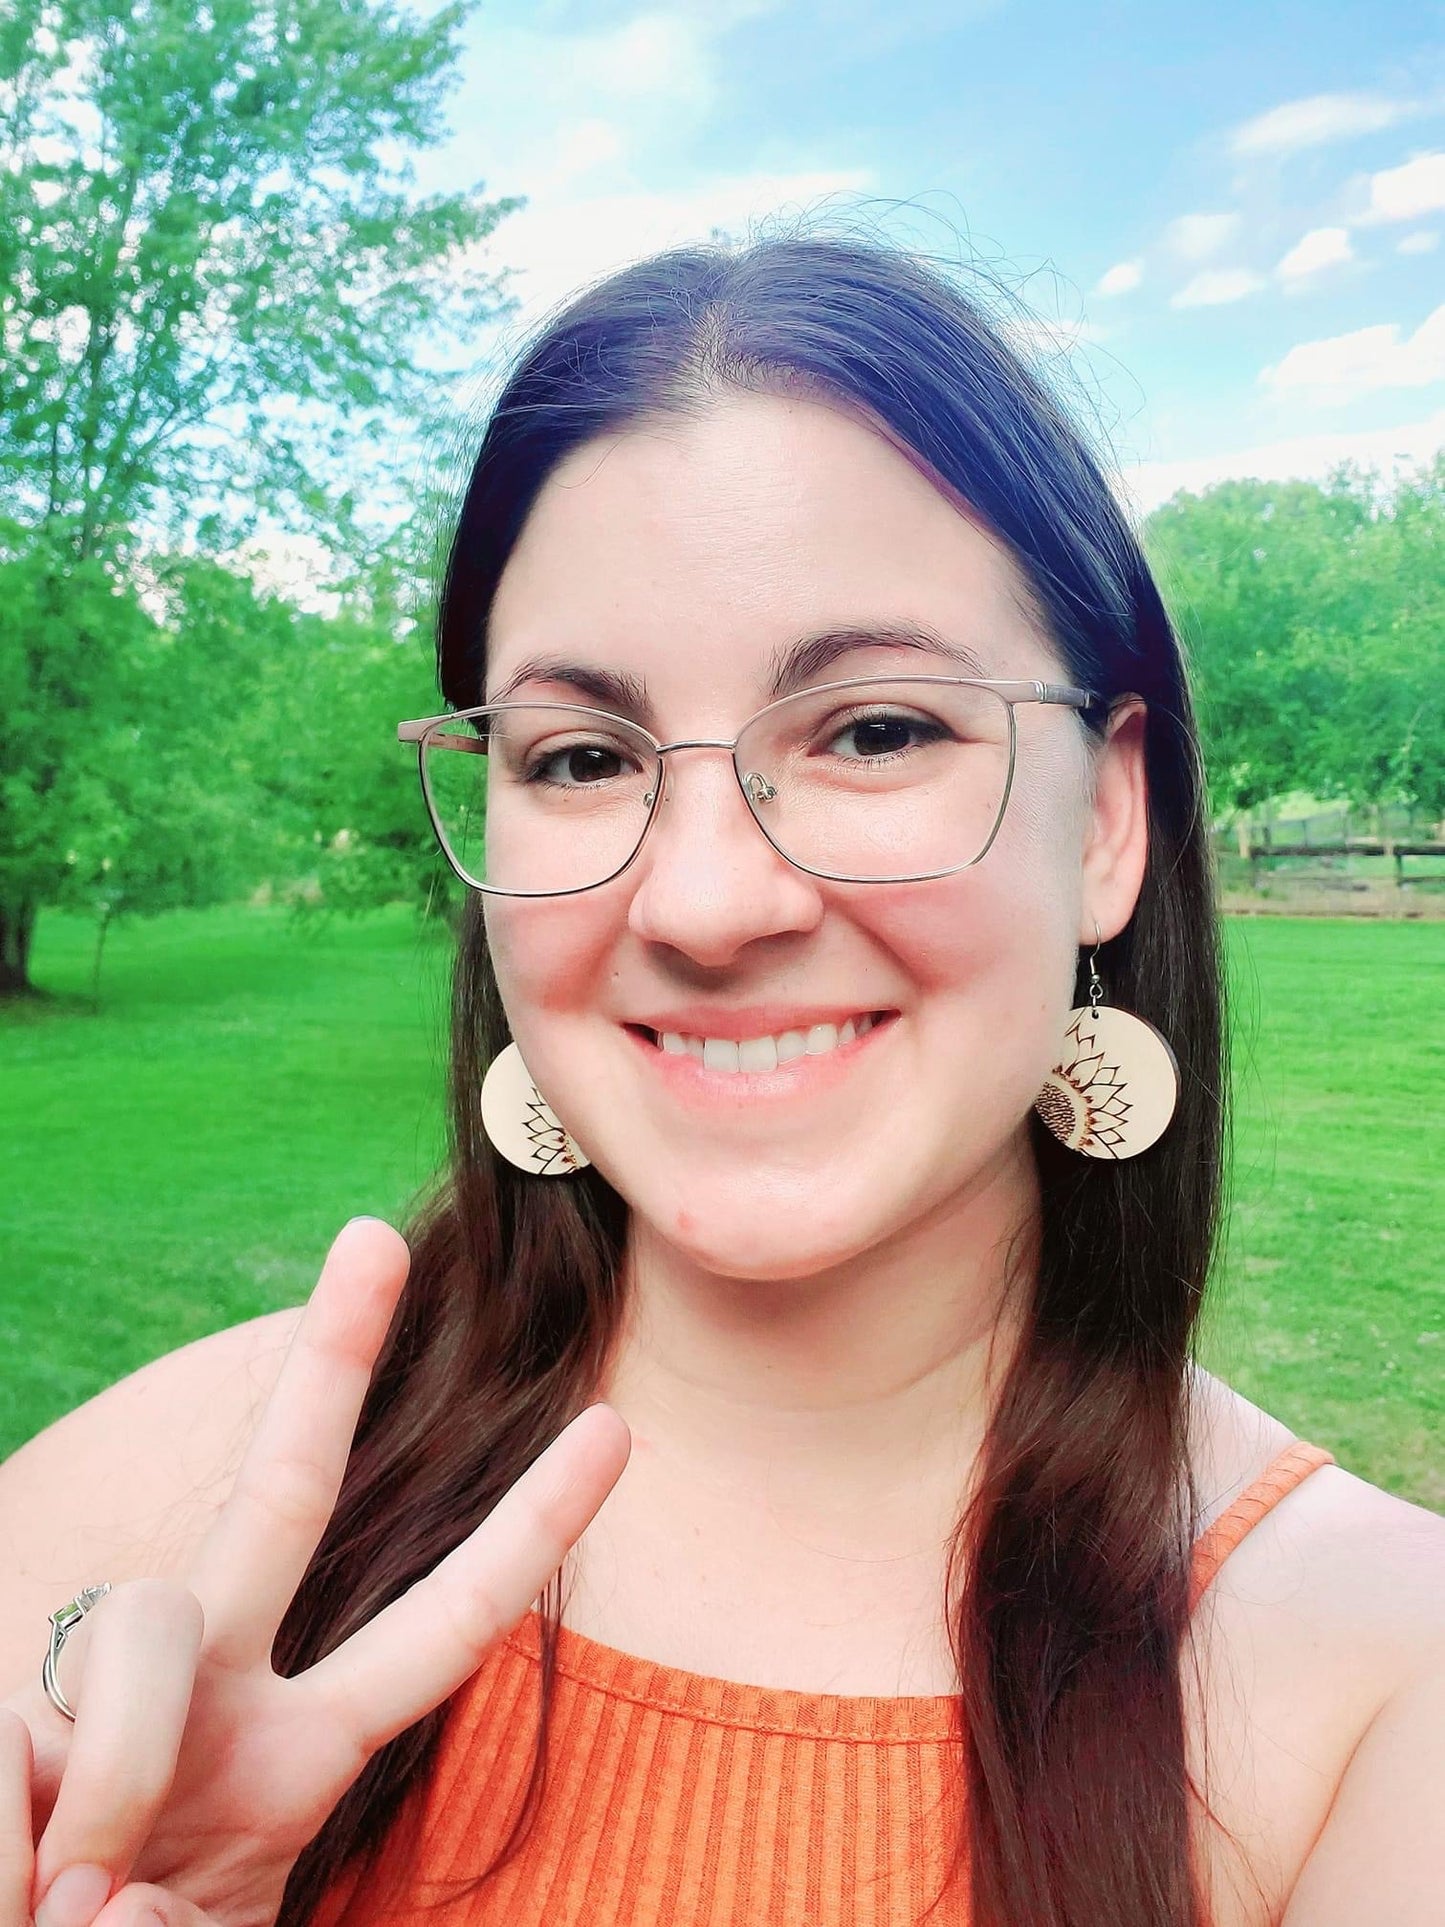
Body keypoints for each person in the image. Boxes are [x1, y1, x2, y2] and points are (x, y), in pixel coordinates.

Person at [1, 228, 1441, 1927]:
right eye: (584, 757)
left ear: (1110, 818)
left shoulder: (1377, 1699)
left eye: (875, 730)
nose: (701, 904)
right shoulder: (140, 1508)